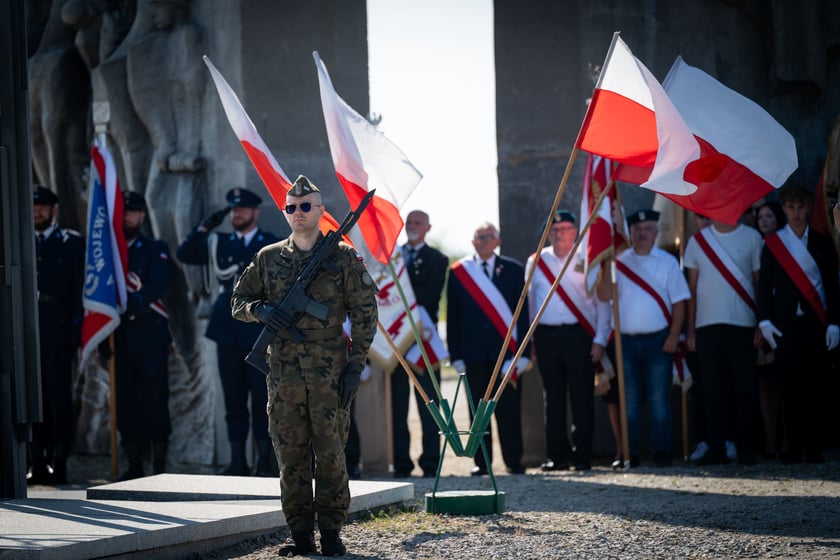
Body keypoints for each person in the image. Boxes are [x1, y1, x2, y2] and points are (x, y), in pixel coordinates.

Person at [231, 175, 378, 557]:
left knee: (330, 452)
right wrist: (261, 311)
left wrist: (354, 365)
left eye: (306, 206)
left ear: (321, 211)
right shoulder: (268, 257)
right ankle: (299, 534)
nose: (298, 213)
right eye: (291, 207)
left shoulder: (343, 256)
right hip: (283, 371)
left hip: (330, 369)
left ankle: (330, 532)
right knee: (290, 454)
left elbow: (365, 312)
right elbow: (238, 301)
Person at [177, 187, 281, 476]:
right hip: (226, 331)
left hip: (259, 333)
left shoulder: (270, 244)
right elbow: (185, 252)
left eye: (243, 210)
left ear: (255, 213)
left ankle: (264, 461)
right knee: (233, 399)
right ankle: (238, 460)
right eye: (233, 210)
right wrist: (206, 225)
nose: (237, 214)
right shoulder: (217, 242)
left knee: (262, 399)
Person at [596, 209, 690, 467]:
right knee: (630, 398)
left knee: (660, 397)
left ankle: (662, 452)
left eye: (648, 229)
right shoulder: (619, 262)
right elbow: (603, 296)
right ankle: (632, 453)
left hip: (659, 339)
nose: (642, 234)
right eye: (637, 230)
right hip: (625, 341)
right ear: (630, 234)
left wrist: (674, 335)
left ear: (656, 232)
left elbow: (680, 303)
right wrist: (607, 264)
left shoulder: (667, 262)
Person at [757, 186, 839, 464]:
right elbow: (764, 285)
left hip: (816, 324)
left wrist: (834, 323)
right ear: (784, 210)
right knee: (788, 388)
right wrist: (764, 320)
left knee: (816, 388)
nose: (796, 213)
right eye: (790, 208)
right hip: (785, 326)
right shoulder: (773, 244)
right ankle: (792, 449)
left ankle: (813, 448)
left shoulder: (821, 243)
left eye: (801, 207)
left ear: (808, 208)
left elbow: (832, 285)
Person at [526, 211, 610, 471]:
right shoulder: (536, 261)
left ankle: (583, 455)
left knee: (582, 396)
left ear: (575, 231)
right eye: (555, 229)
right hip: (547, 336)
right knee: (552, 397)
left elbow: (601, 303)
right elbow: (529, 304)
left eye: (564, 228)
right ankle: (557, 456)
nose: (559, 233)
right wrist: (530, 342)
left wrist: (600, 338)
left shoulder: (588, 257)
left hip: (579, 334)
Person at [447, 222, 530, 476]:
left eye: (488, 237)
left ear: (497, 241)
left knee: (509, 409)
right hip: (472, 355)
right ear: (473, 243)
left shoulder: (514, 270)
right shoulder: (460, 271)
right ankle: (482, 463)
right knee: (477, 412)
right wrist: (456, 354)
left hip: (506, 354)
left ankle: (514, 461)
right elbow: (453, 315)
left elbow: (524, 313)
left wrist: (523, 354)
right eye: (478, 238)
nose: (483, 241)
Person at [684, 215, 763, 465]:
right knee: (712, 390)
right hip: (707, 326)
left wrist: (762, 322)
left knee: (745, 388)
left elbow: (760, 284)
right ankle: (716, 447)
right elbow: (692, 290)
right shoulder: (697, 242)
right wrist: (691, 329)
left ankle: (746, 448)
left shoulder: (752, 237)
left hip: (744, 323)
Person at [114, 191, 173, 480]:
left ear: (142, 216)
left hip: (150, 336)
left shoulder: (154, 248)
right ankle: (133, 463)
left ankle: (159, 465)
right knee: (125, 404)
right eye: (125, 212)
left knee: (154, 402)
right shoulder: (109, 253)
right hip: (120, 338)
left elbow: (156, 286)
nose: (129, 217)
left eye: (134, 213)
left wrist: (130, 304)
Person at [29, 185, 85, 484]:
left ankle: (59, 461)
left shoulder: (71, 242)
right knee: (31, 397)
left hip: (59, 329)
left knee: (59, 397)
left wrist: (77, 329)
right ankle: (35, 461)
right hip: (27, 330)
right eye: (34, 207)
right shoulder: (21, 240)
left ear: (54, 210)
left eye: (43, 207)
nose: (37, 211)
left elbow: (79, 288)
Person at [391, 210, 448, 478]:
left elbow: (429, 295)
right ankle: (401, 462)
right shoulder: (391, 258)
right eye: (409, 223)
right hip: (398, 341)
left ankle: (430, 462)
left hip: (425, 341)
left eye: (418, 223)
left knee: (429, 405)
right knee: (398, 407)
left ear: (428, 227)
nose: (412, 227)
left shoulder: (438, 259)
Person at [754, 201, 786, 459]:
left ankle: (788, 439)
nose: (764, 220)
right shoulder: (756, 244)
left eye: (769, 216)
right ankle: (770, 440)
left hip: (786, 321)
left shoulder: (788, 243)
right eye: (760, 216)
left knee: (787, 383)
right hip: (762, 323)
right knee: (765, 384)